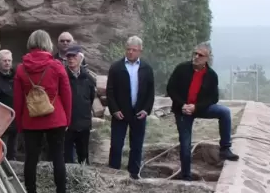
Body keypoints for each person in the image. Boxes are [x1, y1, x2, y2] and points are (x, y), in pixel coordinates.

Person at [166, 42, 239, 180]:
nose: (196, 57)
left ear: (207, 58)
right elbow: (171, 88)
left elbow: (213, 98)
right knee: (186, 143)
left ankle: (225, 148)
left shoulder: (211, 75)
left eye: (200, 55)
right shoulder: (181, 68)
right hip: (182, 110)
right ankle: (186, 176)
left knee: (224, 112)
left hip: (200, 108)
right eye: (195, 53)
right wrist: (182, 105)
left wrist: (197, 107)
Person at [13, 30, 72, 193]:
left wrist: (19, 123)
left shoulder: (21, 69)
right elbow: (67, 95)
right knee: (58, 157)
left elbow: (18, 100)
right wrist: (67, 119)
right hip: (56, 117)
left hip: (31, 119)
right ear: (48, 43)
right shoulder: (56, 66)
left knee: (31, 158)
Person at [105, 36, 155, 179]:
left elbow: (150, 92)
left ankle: (134, 173)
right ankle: (113, 173)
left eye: (134, 50)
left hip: (139, 112)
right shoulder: (116, 67)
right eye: (128, 49)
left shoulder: (146, 68)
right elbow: (110, 91)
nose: (131, 52)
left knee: (137, 145)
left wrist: (146, 109)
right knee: (116, 144)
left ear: (140, 51)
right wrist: (114, 110)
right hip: (120, 112)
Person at [64, 47, 97, 164]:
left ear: (80, 58)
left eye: (74, 56)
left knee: (83, 156)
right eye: (69, 57)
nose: (71, 59)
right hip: (67, 124)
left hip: (84, 122)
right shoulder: (62, 76)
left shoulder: (88, 78)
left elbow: (91, 98)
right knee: (66, 158)